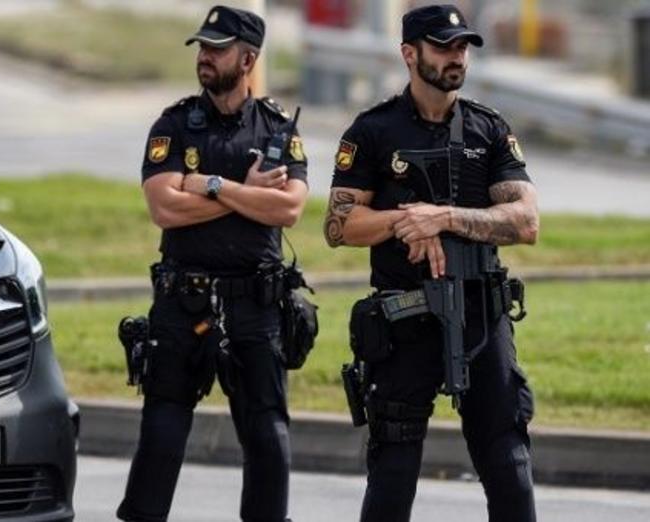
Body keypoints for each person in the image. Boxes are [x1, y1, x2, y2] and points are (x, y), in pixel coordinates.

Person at [325, 4, 539, 522]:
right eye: (444, 46)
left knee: (508, 461)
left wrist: (443, 218)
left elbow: (526, 221)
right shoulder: (372, 131)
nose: (456, 56)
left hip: (480, 317)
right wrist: (406, 220)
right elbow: (339, 226)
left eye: (462, 46)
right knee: (393, 470)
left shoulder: (489, 130)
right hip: (404, 319)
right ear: (409, 53)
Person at [116, 5, 308, 522]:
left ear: (247, 59)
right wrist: (245, 193)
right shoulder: (175, 124)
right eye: (202, 47)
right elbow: (164, 207)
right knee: (161, 435)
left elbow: (288, 208)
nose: (204, 56)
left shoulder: (275, 130)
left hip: (255, 306)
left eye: (216, 49)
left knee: (268, 438)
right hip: (184, 304)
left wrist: (209, 184)